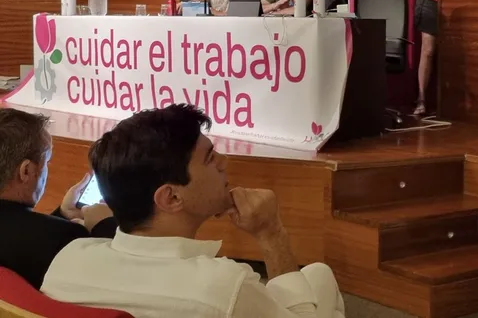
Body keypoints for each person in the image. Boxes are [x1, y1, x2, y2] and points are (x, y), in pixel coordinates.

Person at [41, 104, 345, 318]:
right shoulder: (225, 287)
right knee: (319, 278)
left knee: (316, 276)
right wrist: (271, 233)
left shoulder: (67, 262)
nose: (224, 162)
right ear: (172, 197)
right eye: (210, 158)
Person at [0, 108, 116, 288]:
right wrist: (105, 225)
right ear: (26, 171)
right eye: (47, 161)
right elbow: (114, 276)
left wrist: (62, 214)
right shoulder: (67, 239)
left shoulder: (51, 236)